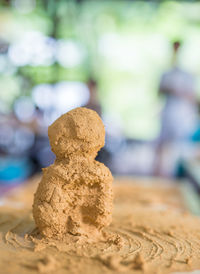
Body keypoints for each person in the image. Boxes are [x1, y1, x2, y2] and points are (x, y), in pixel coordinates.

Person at [154, 41, 198, 177]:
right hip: (168, 115)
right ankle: (159, 175)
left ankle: (178, 175)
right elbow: (158, 92)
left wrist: (180, 91)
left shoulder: (188, 74)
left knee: (180, 148)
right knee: (161, 147)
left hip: (182, 117)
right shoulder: (166, 73)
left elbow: (192, 96)